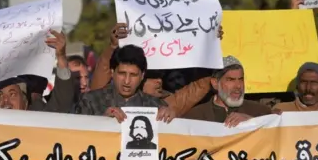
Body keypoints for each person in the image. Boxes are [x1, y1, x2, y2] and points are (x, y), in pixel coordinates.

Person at [90, 23, 222, 117]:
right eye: (152, 76)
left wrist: (209, 45)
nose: (159, 81)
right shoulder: (104, 98)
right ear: (141, 78)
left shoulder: (164, 105)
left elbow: (198, 87)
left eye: (161, 76)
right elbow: (100, 81)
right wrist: (113, 46)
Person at [76, 44, 176, 124]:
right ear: (112, 72)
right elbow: (77, 136)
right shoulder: (90, 101)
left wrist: (170, 120)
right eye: (122, 74)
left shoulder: (156, 105)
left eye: (133, 75)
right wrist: (102, 122)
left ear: (142, 76)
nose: (127, 81)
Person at [0, 31, 77, 113]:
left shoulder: (38, 121)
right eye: (0, 96)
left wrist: (61, 56)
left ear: (25, 102)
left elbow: (61, 104)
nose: (5, 101)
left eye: (12, 94)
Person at [183, 56, 272, 127]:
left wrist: (252, 121)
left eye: (241, 79)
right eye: (230, 80)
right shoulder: (194, 117)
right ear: (215, 83)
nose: (238, 86)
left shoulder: (261, 112)